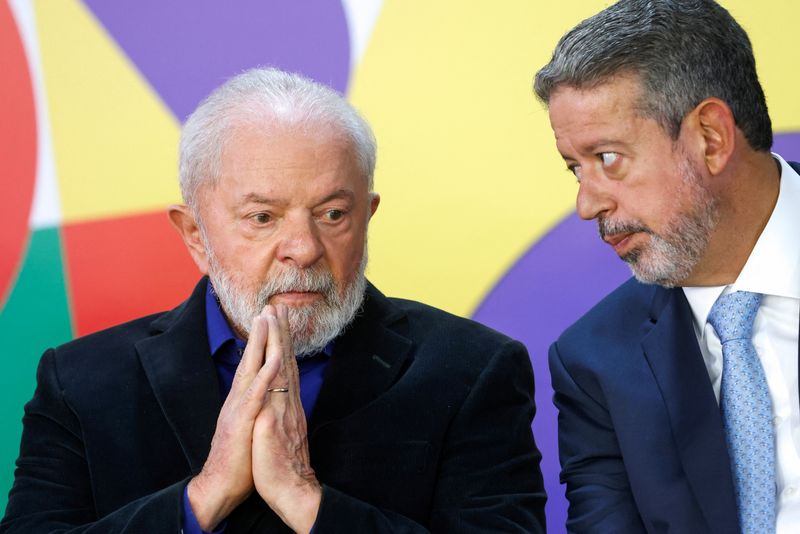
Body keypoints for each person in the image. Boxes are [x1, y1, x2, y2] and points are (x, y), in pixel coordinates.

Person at [0, 68, 546, 533]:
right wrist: (204, 497)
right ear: (195, 235)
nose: (304, 249)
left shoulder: (472, 369)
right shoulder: (80, 382)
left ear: (368, 216)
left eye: (333, 214)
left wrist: (308, 501)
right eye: (262, 218)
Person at [534, 0, 799, 532]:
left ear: (711, 137)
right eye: (574, 168)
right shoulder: (593, 361)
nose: (587, 205)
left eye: (607, 158)